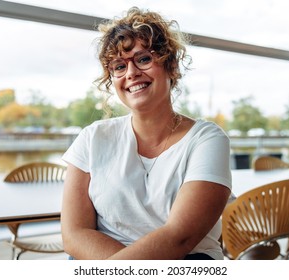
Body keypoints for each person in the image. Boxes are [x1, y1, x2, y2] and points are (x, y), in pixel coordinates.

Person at [61, 7, 231, 260]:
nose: (131, 73)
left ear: (171, 66)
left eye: (143, 59)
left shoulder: (206, 140)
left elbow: (179, 237)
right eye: (119, 66)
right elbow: (74, 234)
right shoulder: (92, 138)